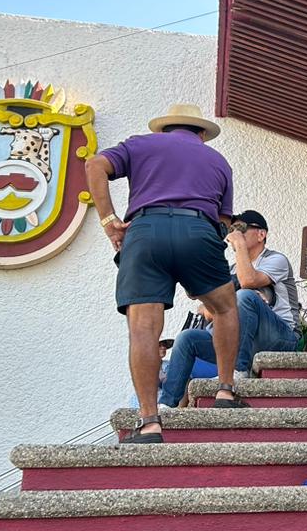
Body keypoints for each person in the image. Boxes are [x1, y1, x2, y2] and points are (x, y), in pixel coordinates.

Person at [86, 103, 241, 444]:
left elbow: (95, 164)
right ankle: (226, 392)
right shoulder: (218, 161)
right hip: (197, 232)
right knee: (226, 307)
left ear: (163, 130)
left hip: (144, 232)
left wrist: (109, 220)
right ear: (201, 134)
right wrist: (195, 274)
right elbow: (224, 223)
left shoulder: (141, 144)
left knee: (143, 328)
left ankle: (149, 422)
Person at [157, 209, 300, 408]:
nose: (233, 233)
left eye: (241, 229)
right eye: (232, 229)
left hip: (281, 337)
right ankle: (166, 404)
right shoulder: (231, 270)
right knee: (187, 338)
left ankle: (238, 371)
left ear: (261, 234)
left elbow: (248, 281)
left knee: (245, 296)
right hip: (242, 340)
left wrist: (240, 245)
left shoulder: (276, 260)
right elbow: (210, 312)